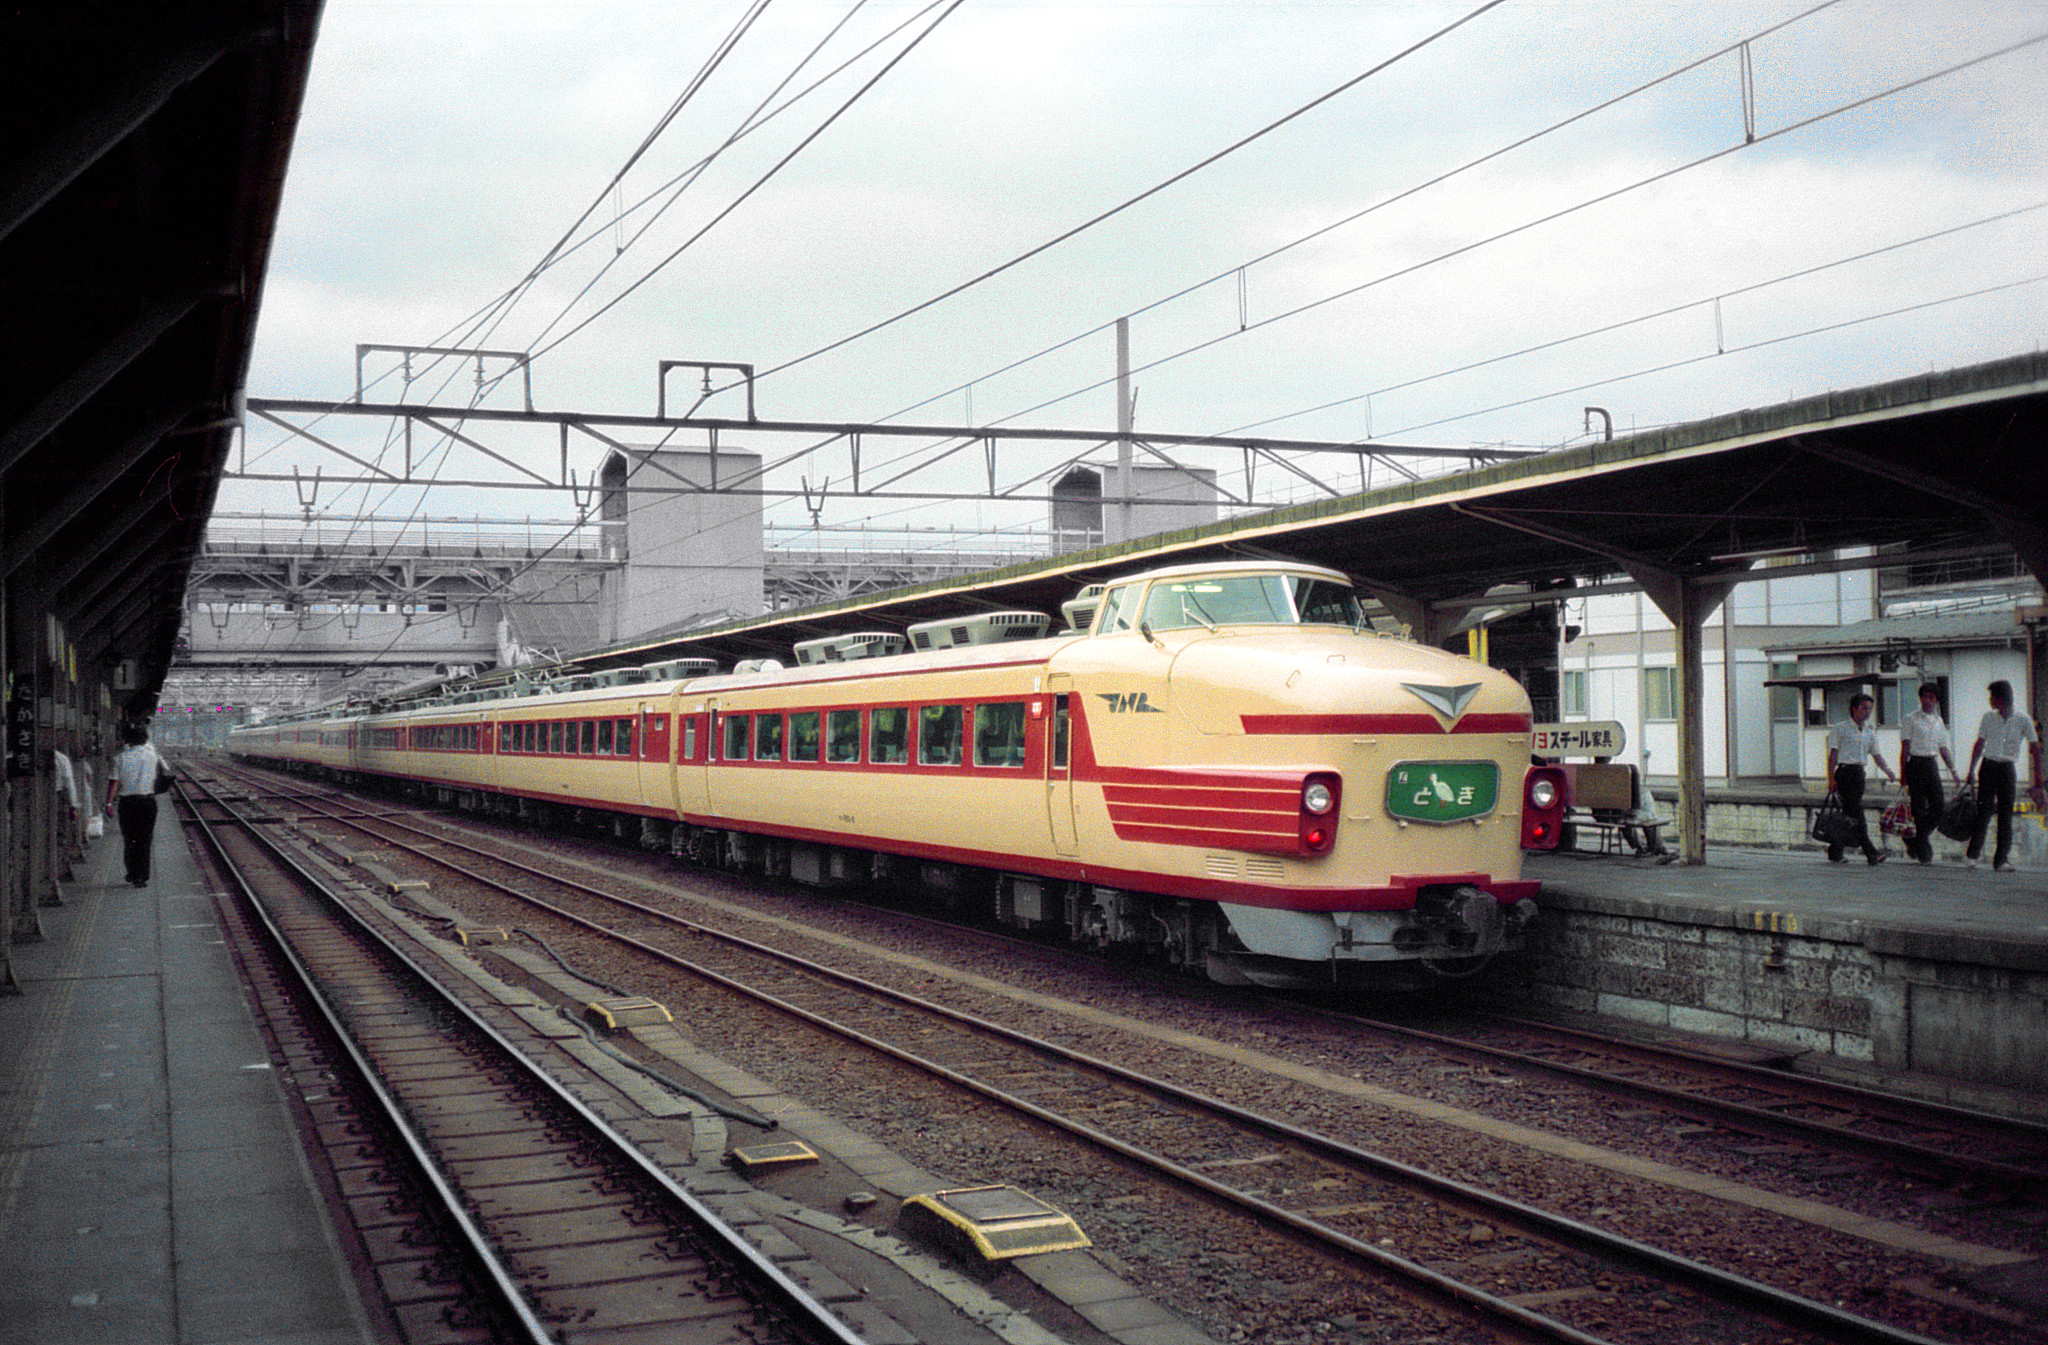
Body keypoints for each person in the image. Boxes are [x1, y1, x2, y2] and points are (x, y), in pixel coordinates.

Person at [1965, 680, 2043, 873]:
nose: (1990, 700)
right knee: (1984, 811)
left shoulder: (2023, 719)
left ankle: (2001, 860)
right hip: (1988, 766)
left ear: (2001, 699)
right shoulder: (1988, 717)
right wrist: (1971, 770)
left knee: (2006, 814)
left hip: (2008, 768)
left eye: (1992, 697)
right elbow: (1979, 745)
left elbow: (2035, 750)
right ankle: (1973, 855)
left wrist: (2039, 782)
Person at [1825, 692, 1894, 865]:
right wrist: (1831, 779)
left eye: (1870, 709)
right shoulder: (1840, 729)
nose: (1867, 712)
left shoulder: (1869, 733)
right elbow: (1832, 755)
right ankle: (1871, 852)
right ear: (1854, 709)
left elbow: (1876, 755)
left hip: (1858, 775)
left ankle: (1835, 851)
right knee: (1857, 814)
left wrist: (1888, 771)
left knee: (1849, 815)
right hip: (1845, 773)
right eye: (1863, 708)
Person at [1898, 684, 1960, 865]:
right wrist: (1903, 774)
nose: (1927, 700)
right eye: (1924, 696)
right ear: (1920, 698)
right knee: (1917, 809)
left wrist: (1954, 771)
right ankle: (1924, 852)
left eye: (1931, 697)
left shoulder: (1939, 721)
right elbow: (1905, 748)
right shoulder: (1911, 719)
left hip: (1931, 764)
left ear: (1936, 700)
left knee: (1938, 807)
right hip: (1915, 764)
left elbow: (1943, 748)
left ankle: (1914, 840)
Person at [105, 722, 163, 887]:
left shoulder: (120, 758)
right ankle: (142, 877)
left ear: (127, 739)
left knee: (130, 839)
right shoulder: (154, 756)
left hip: (128, 803)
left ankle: (132, 872)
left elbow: (114, 782)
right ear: (145, 739)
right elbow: (165, 774)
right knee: (145, 839)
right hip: (148, 802)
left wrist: (109, 803)